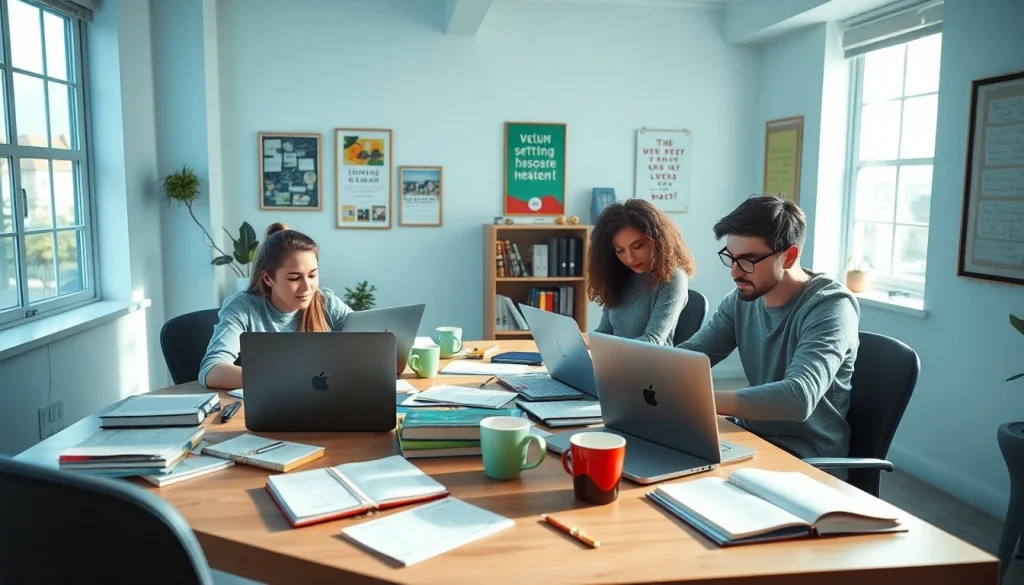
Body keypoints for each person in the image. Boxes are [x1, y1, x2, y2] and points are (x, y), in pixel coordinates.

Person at [678, 195, 860, 462]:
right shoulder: (741, 300)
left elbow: (799, 398)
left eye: (748, 260)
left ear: (789, 257)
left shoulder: (831, 306)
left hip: (805, 459)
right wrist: (644, 375)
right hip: (749, 439)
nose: (735, 273)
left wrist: (696, 401)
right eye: (731, 258)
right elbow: (692, 355)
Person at [199, 223, 353, 389]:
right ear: (267, 279)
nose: (307, 287)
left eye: (312, 275)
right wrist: (289, 380)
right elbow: (211, 371)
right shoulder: (243, 307)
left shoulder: (326, 302)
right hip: (268, 402)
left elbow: (367, 347)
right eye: (294, 278)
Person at [588, 198, 697, 346]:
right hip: (616, 359)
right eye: (620, 250)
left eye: (638, 246)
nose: (629, 258)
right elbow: (605, 331)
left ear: (658, 241)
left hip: (651, 360)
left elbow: (653, 341)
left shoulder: (673, 277)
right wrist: (579, 342)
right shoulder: (618, 275)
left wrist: (609, 351)